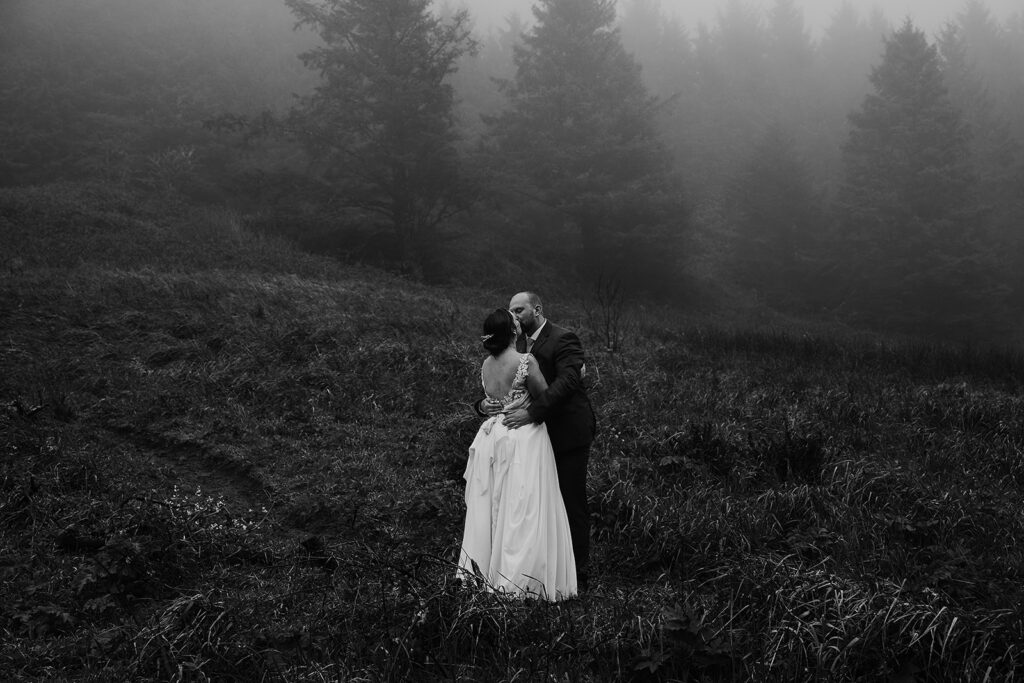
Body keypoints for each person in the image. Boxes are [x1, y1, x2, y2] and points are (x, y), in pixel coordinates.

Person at [481, 292, 597, 592]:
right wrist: (484, 405)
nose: (514, 315)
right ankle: (542, 569)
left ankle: (577, 574)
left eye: (519, 309)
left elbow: (569, 382)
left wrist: (532, 412)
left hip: (567, 432)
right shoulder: (515, 343)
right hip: (530, 441)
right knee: (534, 506)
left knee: (570, 502)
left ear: (537, 309)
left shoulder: (563, 338)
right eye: (511, 311)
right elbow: (506, 383)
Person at [458, 308, 577, 601]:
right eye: (514, 321)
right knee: (524, 507)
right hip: (523, 436)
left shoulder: (486, 365)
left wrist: (484, 406)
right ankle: (521, 579)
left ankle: (484, 572)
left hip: (491, 436)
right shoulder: (525, 361)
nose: (518, 321)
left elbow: (488, 401)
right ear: (512, 332)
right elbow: (545, 396)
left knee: (492, 505)